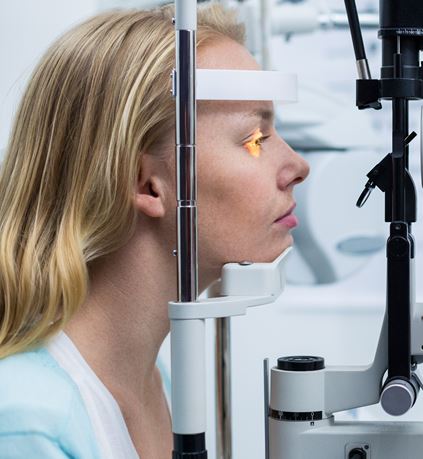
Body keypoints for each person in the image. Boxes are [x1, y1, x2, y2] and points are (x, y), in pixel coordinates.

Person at [0, 4, 309, 457]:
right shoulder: (29, 422)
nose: (298, 167)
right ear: (147, 184)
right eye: (255, 140)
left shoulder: (148, 377)